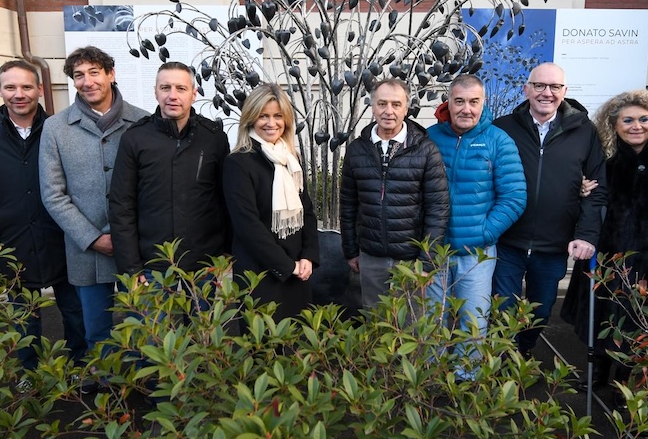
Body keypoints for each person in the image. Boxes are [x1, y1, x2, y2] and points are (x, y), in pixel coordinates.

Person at [561, 89, 648, 385]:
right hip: (606, 254)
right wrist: (580, 191)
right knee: (601, 315)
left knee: (639, 323)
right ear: (613, 124)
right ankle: (598, 373)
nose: (636, 126)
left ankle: (627, 383)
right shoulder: (603, 159)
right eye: (627, 120)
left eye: (644, 119)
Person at [0, 60, 86, 368]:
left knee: (74, 310)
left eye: (26, 87)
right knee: (23, 315)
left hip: (61, 237)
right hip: (13, 241)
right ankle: (29, 372)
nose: (18, 94)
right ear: (0, 90)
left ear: (39, 89)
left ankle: (82, 367)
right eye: (10, 87)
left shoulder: (62, 131)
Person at [493, 62, 607, 356]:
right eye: (540, 86)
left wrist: (587, 235)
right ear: (527, 89)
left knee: (540, 312)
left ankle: (523, 354)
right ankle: (503, 364)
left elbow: (597, 190)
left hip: (553, 244)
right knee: (502, 309)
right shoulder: (503, 128)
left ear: (565, 91)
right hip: (507, 241)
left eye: (555, 87)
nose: (547, 93)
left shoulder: (584, 131)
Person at [40, 46, 147, 352]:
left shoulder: (142, 122)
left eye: (94, 72)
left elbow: (152, 189)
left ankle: (143, 387)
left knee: (142, 326)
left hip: (136, 247)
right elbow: (53, 194)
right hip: (85, 249)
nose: (87, 81)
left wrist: (126, 235)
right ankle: (105, 387)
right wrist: (92, 238)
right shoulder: (56, 128)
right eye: (78, 75)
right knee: (97, 331)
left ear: (111, 75)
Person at [426, 74, 526, 372]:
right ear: (449, 102)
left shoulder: (498, 141)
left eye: (473, 102)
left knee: (472, 324)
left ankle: (466, 385)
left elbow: (514, 197)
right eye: (459, 102)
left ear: (483, 104)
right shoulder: (430, 137)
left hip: (476, 254)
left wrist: (483, 234)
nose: (466, 109)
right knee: (432, 322)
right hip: (434, 252)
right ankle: (430, 382)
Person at [108, 62, 229, 281]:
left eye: (181, 88)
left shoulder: (214, 138)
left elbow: (226, 199)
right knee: (155, 318)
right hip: (153, 265)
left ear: (194, 94)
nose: (172, 95)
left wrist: (227, 254)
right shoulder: (135, 138)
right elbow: (121, 206)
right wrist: (131, 268)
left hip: (205, 264)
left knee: (203, 317)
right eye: (165, 88)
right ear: (155, 92)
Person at [340, 78, 450, 311]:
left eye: (396, 104)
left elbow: (437, 209)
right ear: (372, 106)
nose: (388, 111)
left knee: (411, 324)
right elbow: (348, 203)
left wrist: (427, 261)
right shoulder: (357, 150)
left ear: (406, 108)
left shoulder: (426, 150)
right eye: (382, 104)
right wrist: (351, 250)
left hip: (411, 260)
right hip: (371, 256)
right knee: (375, 321)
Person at [222, 84, 318, 319]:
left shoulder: (290, 160)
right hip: (260, 273)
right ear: (251, 119)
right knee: (262, 349)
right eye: (263, 116)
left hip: (297, 272)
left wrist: (308, 256)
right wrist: (286, 266)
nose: (271, 123)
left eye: (278, 116)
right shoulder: (238, 163)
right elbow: (247, 226)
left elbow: (307, 212)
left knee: (297, 347)